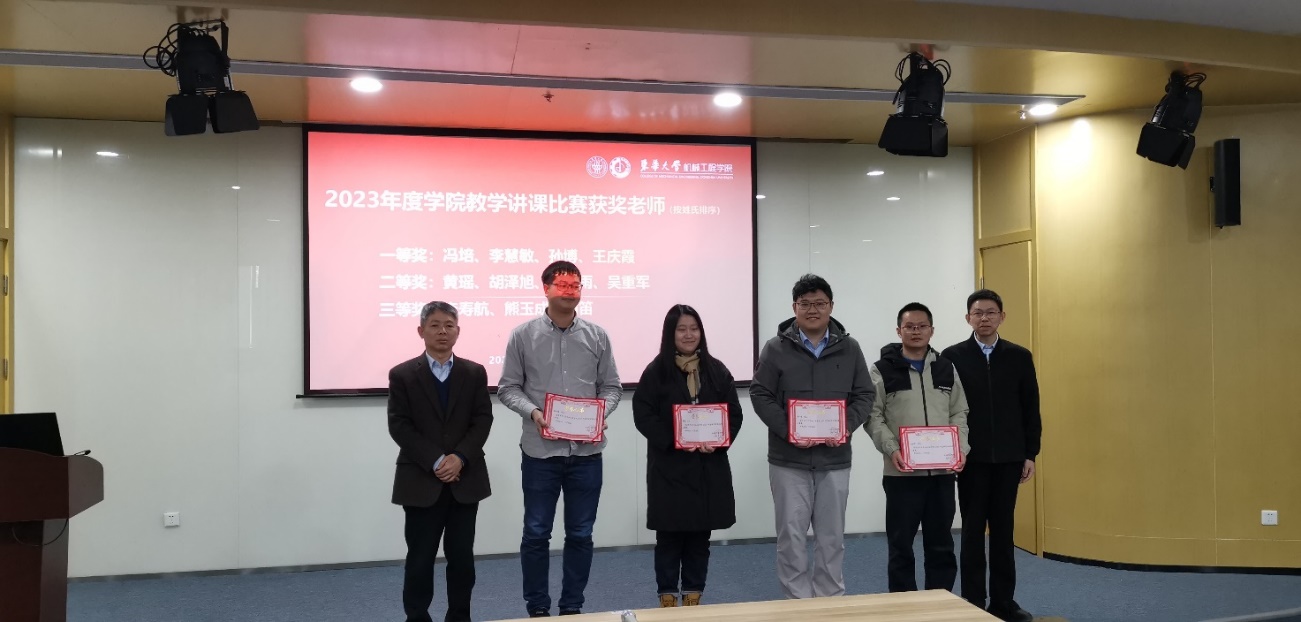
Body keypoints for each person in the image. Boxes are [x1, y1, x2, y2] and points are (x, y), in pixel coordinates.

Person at [498, 260, 623, 618]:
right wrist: (534, 413)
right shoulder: (523, 335)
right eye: (563, 285)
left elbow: (611, 387)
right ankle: (538, 607)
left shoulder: (597, 336)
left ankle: (572, 607)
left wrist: (600, 414)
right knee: (536, 533)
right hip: (541, 453)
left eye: (576, 285)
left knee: (581, 534)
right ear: (546, 289)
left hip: (587, 454)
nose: (570, 292)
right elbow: (508, 388)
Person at [750, 274, 875, 599]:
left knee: (832, 537)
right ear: (794, 307)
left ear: (831, 306)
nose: (813, 310)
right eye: (805, 304)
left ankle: (829, 603)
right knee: (790, 538)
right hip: (788, 460)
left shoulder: (850, 348)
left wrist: (845, 426)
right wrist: (788, 429)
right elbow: (760, 394)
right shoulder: (775, 348)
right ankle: (797, 605)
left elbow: (865, 394)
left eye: (820, 303)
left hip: (834, 460)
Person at [387, 301, 494, 622]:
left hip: (465, 479)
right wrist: (436, 461)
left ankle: (459, 617)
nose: (442, 331)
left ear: (458, 331)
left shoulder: (474, 372)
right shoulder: (403, 374)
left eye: (449, 325)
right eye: (434, 325)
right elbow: (399, 426)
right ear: (421, 331)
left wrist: (459, 457)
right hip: (420, 481)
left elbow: (482, 420)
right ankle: (417, 617)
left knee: (462, 559)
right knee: (420, 559)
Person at [632, 305, 744, 608]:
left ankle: (694, 594)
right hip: (669, 468)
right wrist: (674, 441)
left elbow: (733, 415)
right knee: (669, 538)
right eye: (681, 329)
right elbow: (643, 415)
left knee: (698, 538)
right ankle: (667, 595)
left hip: (707, 468)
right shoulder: (656, 371)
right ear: (670, 333)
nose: (688, 334)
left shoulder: (717, 370)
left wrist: (718, 442)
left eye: (694, 328)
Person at [941, 290, 1041, 622]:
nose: (984, 318)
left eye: (991, 312)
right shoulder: (952, 356)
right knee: (971, 533)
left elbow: (1031, 407)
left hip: (1010, 459)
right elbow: (946, 408)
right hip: (970, 460)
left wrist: (1030, 453)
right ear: (968, 318)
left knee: (1003, 532)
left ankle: (1003, 602)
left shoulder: (1019, 356)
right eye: (978, 313)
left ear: (1002, 316)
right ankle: (972, 601)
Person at [866, 302, 970, 595]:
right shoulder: (882, 369)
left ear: (931, 330)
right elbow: (873, 416)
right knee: (901, 547)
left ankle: (940, 604)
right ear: (898, 330)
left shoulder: (946, 367)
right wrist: (892, 449)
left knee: (942, 545)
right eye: (909, 326)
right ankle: (904, 608)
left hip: (942, 474)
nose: (915, 331)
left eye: (922, 326)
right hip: (901, 474)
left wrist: (961, 449)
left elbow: (959, 412)